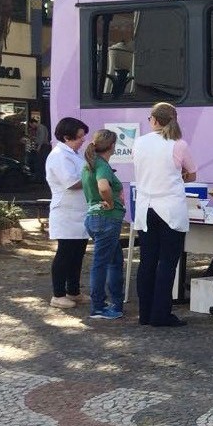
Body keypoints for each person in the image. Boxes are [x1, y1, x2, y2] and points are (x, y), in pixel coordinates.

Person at [132, 102, 198, 327]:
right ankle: (161, 314)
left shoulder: (139, 142)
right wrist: (179, 176)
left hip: (145, 207)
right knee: (167, 263)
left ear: (153, 120)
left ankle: (145, 313)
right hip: (170, 208)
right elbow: (192, 174)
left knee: (147, 262)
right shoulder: (179, 144)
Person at [46, 117, 90, 309]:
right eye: (79, 137)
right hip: (66, 212)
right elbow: (71, 183)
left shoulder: (74, 154)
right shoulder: (59, 156)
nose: (82, 140)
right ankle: (58, 294)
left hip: (80, 211)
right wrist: (93, 179)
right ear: (66, 137)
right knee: (65, 253)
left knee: (78, 253)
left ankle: (73, 290)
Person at [81, 129, 125, 320]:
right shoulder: (102, 165)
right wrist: (111, 202)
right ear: (112, 146)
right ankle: (98, 306)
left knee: (114, 260)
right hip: (107, 218)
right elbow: (103, 187)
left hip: (94, 217)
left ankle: (116, 302)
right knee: (101, 263)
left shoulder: (90, 164)